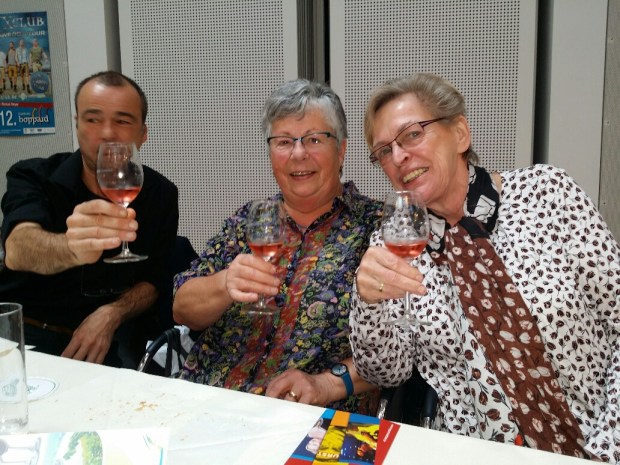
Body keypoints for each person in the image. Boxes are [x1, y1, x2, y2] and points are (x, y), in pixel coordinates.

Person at [349, 73, 620, 462]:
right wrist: (368, 303)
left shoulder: (547, 193)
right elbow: (385, 373)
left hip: (593, 440)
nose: (398, 157)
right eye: (383, 151)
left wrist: (607, 450)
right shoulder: (394, 242)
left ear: (460, 133)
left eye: (412, 135)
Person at [173, 79, 382, 413]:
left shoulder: (377, 227)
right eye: (284, 142)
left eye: (314, 139)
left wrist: (324, 383)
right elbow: (182, 309)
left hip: (312, 415)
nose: (298, 154)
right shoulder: (250, 219)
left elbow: (401, 348)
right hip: (209, 403)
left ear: (341, 149)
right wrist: (224, 284)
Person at [0, 70, 179, 367]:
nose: (107, 133)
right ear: (78, 125)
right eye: (93, 119)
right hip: (23, 333)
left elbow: (155, 280)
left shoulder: (160, 193)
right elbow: (18, 249)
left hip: (106, 340)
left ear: (143, 134)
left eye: (122, 121)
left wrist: (112, 314)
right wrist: (70, 248)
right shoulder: (33, 176)